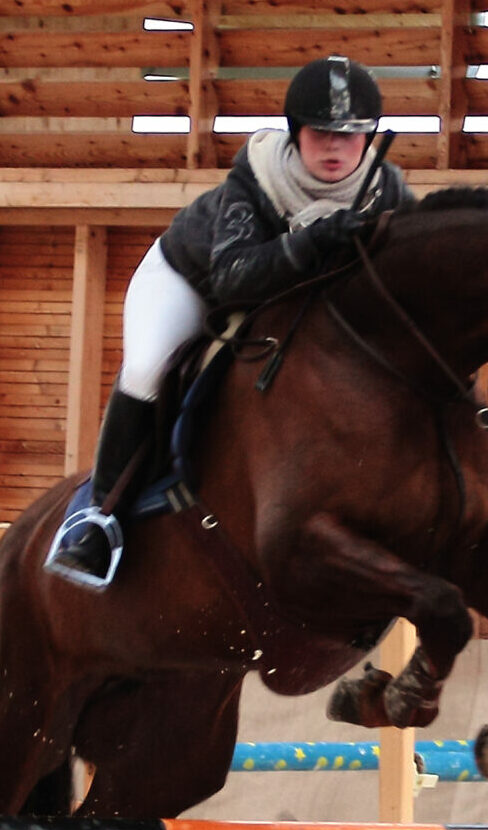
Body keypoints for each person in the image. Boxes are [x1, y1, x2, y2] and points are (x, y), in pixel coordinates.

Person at [46, 54, 414, 589]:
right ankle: (98, 519)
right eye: (321, 133)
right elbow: (233, 279)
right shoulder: (259, 179)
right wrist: (310, 242)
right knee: (149, 368)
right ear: (296, 132)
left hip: (284, 310)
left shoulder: (388, 193)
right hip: (192, 283)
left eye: (351, 135)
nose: (335, 147)